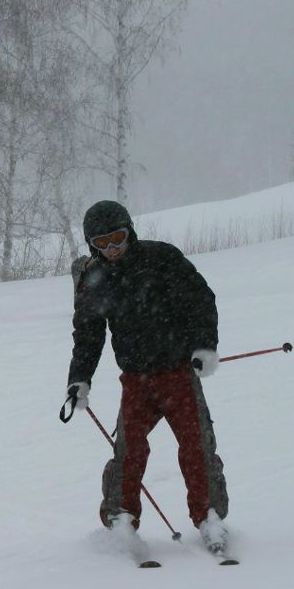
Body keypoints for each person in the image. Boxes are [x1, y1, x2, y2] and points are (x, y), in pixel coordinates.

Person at [63, 200, 229, 553]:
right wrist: (79, 379)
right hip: (135, 381)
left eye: (118, 238)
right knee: (129, 450)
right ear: (92, 245)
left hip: (177, 374)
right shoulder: (94, 280)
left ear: (130, 231)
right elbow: (88, 335)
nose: (112, 249)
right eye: (102, 243)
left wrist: (204, 346)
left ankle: (209, 517)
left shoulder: (162, 259)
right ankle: (121, 518)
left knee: (197, 446)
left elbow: (200, 301)